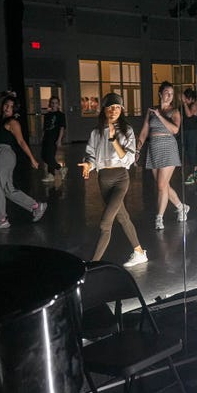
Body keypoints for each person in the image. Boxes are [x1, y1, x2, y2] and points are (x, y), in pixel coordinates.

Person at [78, 93, 148, 267]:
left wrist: (113, 139)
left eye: (117, 107)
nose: (113, 110)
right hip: (103, 180)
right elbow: (91, 155)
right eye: (110, 107)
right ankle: (139, 252)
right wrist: (88, 164)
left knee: (105, 223)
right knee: (123, 217)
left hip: (120, 179)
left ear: (122, 110)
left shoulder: (127, 131)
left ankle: (92, 265)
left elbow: (129, 160)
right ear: (104, 109)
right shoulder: (96, 132)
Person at [0, 91, 47, 229]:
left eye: (10, 106)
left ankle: (1, 219)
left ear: (14, 110)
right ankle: (36, 206)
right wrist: (4, 93)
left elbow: (21, 141)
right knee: (7, 189)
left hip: (3, 153)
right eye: (6, 105)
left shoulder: (12, 122)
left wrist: (32, 158)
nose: (6, 108)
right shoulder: (1, 118)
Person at [137, 81, 189, 230]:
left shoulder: (175, 112)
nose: (169, 96)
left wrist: (160, 116)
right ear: (160, 93)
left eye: (172, 94)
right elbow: (144, 131)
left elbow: (175, 130)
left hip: (168, 148)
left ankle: (159, 218)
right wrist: (138, 149)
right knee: (164, 185)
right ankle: (181, 207)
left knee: (161, 185)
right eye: (166, 92)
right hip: (153, 148)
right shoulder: (151, 110)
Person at [41, 96, 67, 182]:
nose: (54, 105)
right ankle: (60, 169)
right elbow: (45, 128)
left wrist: (59, 139)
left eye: (56, 103)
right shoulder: (47, 115)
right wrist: (43, 137)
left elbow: (62, 128)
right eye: (52, 103)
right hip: (46, 137)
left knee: (50, 156)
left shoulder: (61, 115)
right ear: (50, 104)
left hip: (54, 138)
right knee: (44, 156)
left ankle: (51, 175)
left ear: (58, 104)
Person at [182, 88, 197, 184]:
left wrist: (185, 104)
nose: (185, 100)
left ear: (191, 98)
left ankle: (195, 170)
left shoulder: (194, 105)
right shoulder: (184, 106)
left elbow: (189, 115)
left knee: (191, 151)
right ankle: (192, 171)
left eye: (186, 98)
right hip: (186, 131)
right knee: (187, 152)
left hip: (193, 132)